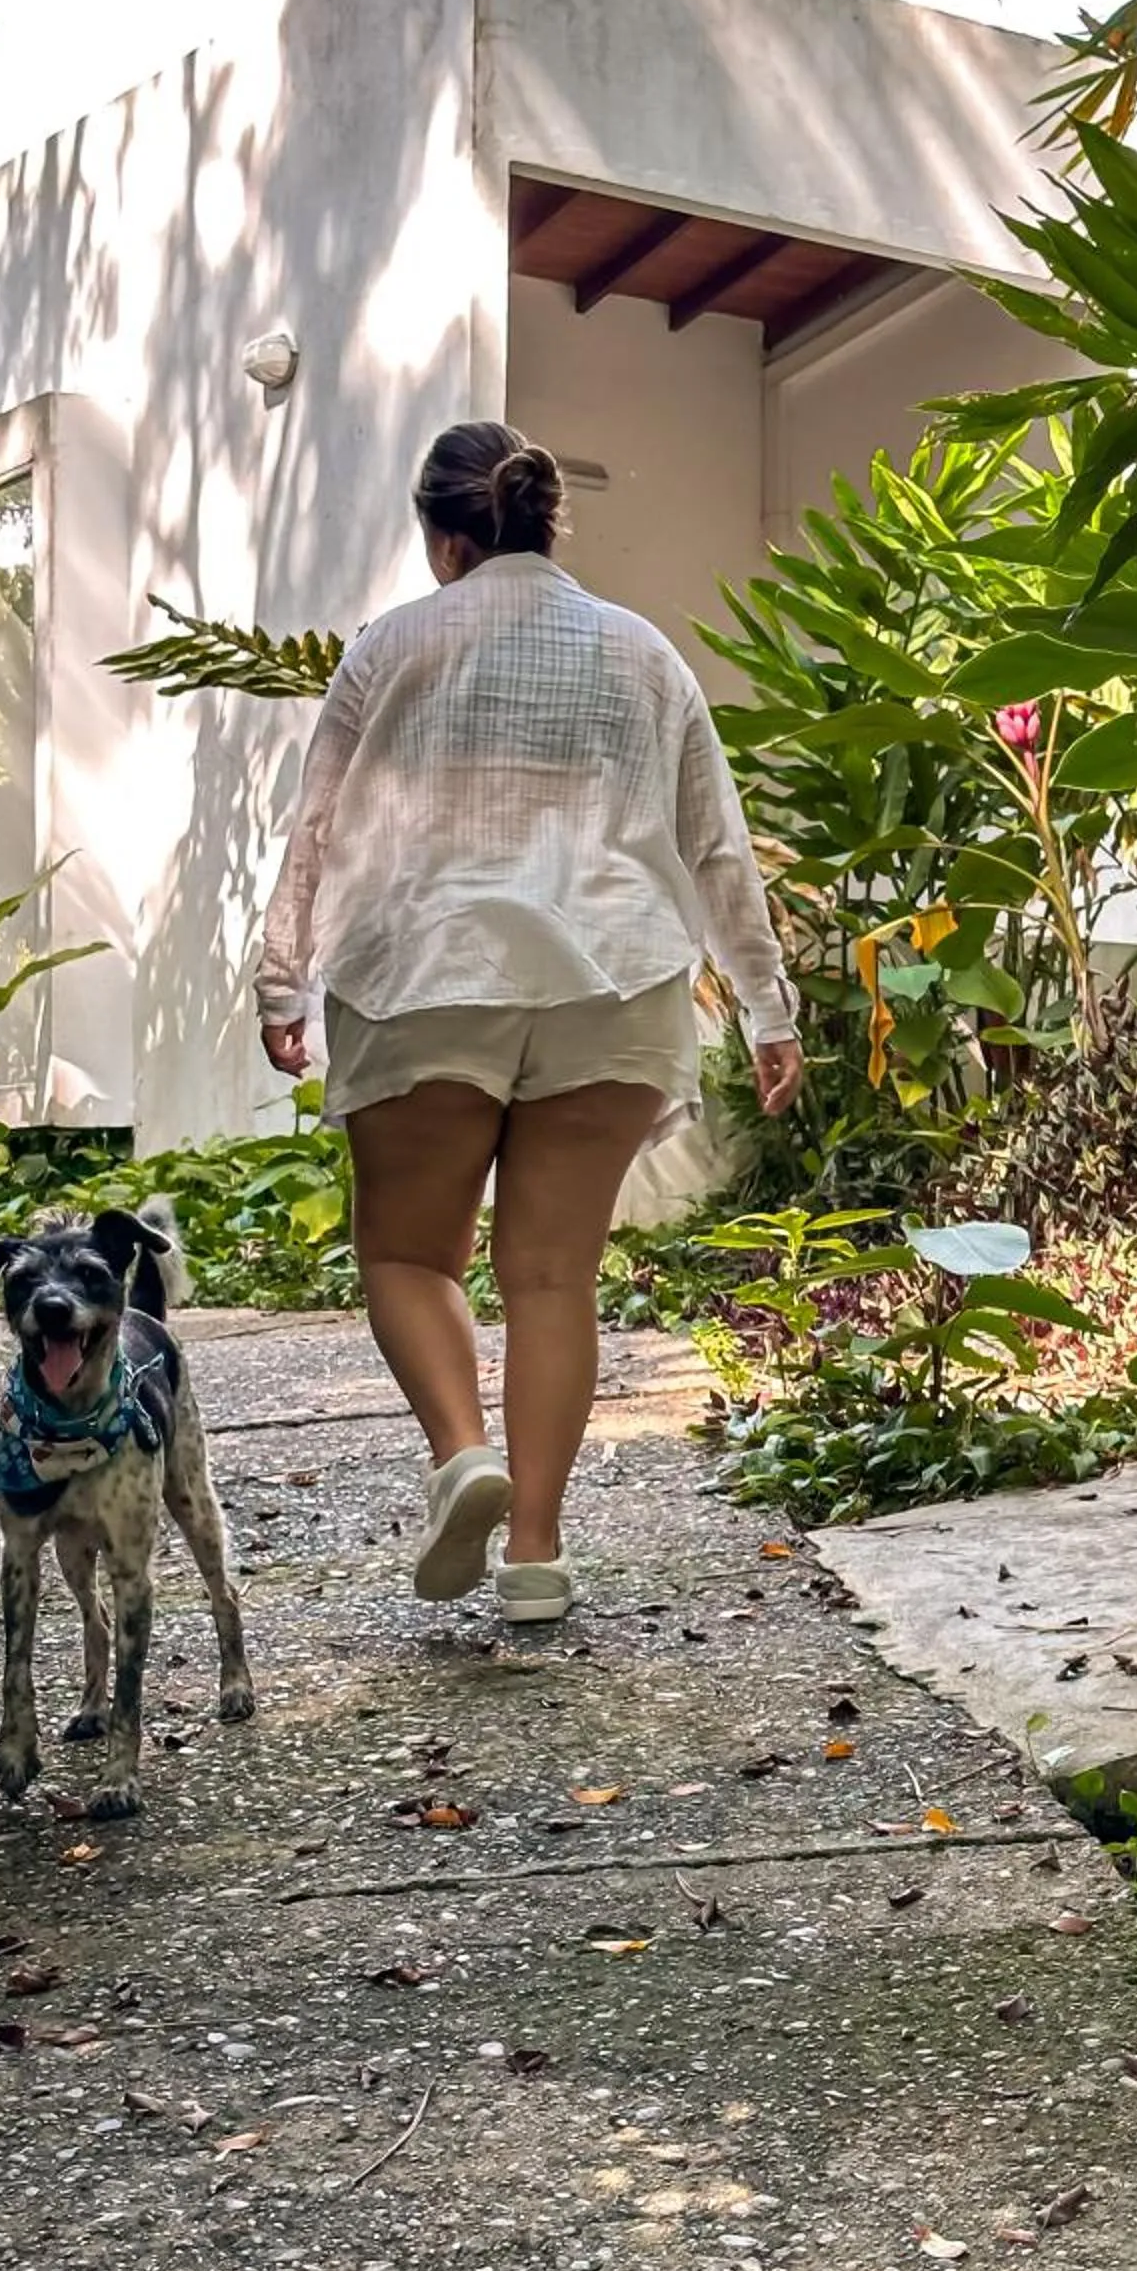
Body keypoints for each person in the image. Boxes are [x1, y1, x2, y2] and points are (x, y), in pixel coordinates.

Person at [254, 420, 804, 1625]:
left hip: (424, 971)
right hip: (613, 983)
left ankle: (463, 1455)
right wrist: (767, 1007)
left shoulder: (388, 649)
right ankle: (539, 1558)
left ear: (443, 539)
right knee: (554, 1280)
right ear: (546, 521)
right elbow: (715, 842)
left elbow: (319, 826)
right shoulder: (643, 653)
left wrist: (282, 980)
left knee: (408, 1256)